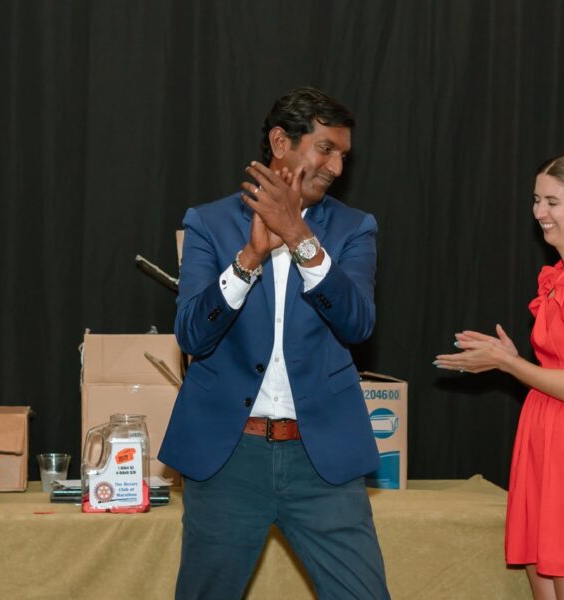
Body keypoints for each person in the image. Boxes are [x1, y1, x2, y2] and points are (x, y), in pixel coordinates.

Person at [159, 87, 390, 600]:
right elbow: (192, 334)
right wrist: (247, 261)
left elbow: (357, 324)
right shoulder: (209, 223)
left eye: (343, 156)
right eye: (325, 148)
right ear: (281, 141)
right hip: (228, 456)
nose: (336, 166)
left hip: (322, 459)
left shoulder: (354, 229)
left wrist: (300, 238)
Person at [435, 152, 564, 599]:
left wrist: (506, 363)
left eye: (552, 201)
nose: (539, 213)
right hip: (547, 441)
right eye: (536, 200)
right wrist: (515, 358)